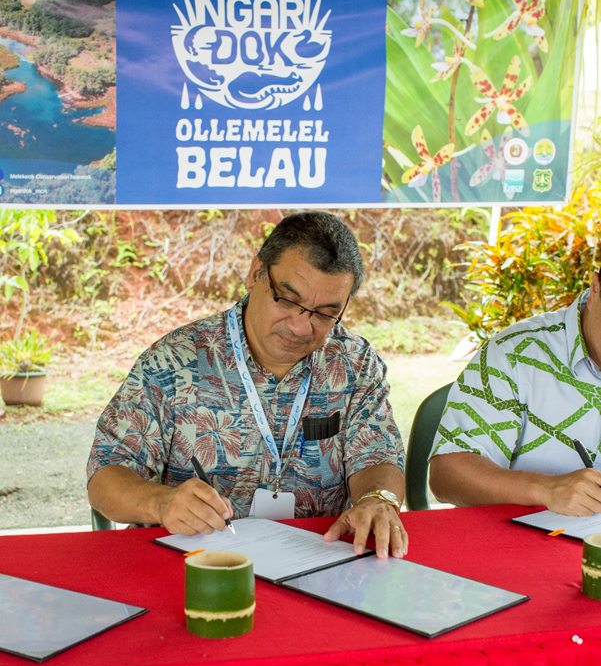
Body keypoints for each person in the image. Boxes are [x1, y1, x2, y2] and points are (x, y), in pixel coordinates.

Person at [87, 211, 407, 558]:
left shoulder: (353, 363)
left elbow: (378, 457)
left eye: (325, 313)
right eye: (287, 299)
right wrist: (161, 502)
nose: (301, 326)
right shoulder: (175, 361)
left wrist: (378, 499)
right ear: (256, 274)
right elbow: (106, 475)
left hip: (317, 558)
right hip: (193, 563)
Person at [429, 269, 601, 515]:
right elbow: (447, 473)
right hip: (518, 542)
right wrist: (546, 489)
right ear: (595, 289)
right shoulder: (514, 354)